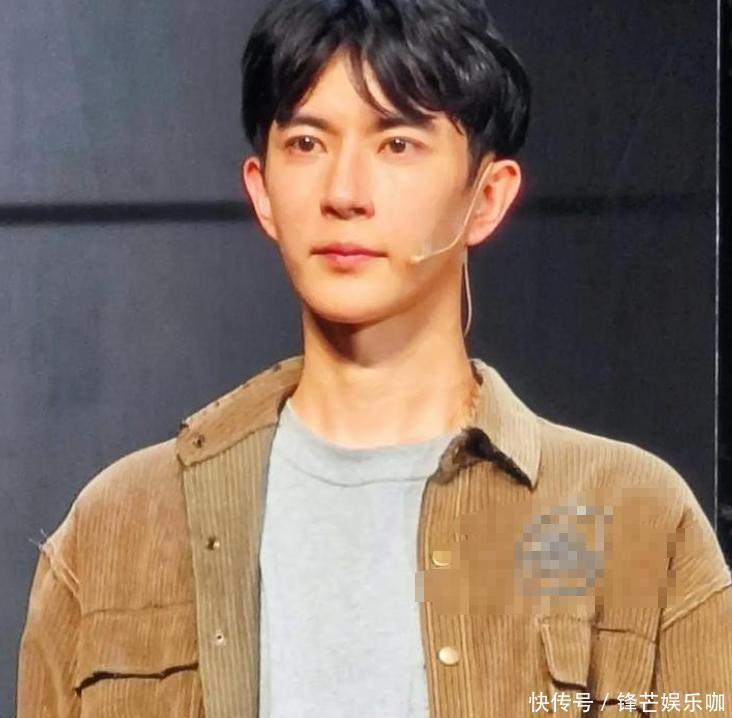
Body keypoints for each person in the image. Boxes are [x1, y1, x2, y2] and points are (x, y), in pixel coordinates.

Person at [17, 0, 732, 716]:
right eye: (307, 143)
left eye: (397, 144)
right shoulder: (119, 526)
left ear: (486, 198)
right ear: (262, 191)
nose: (344, 193)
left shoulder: (635, 519)